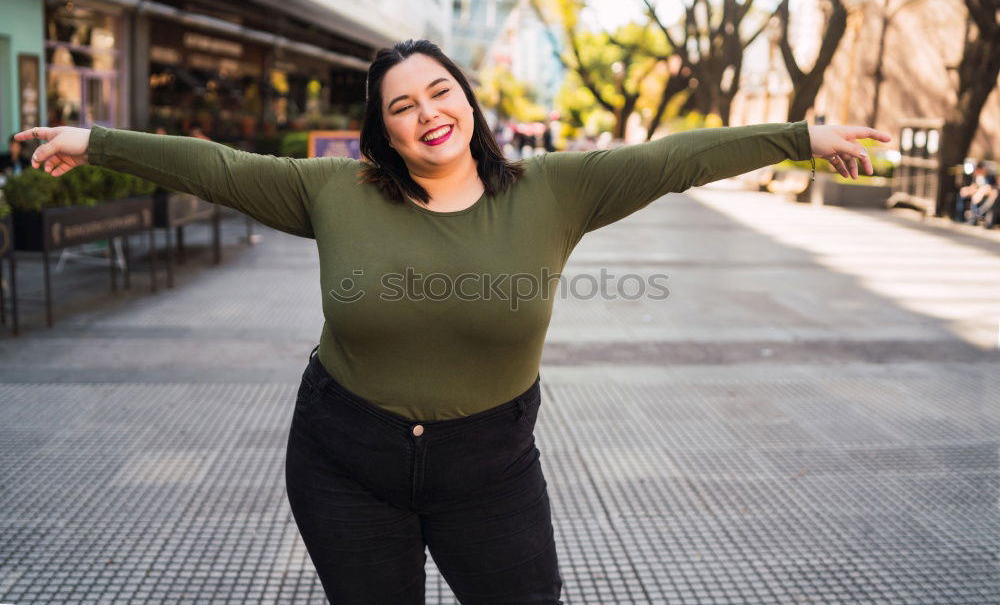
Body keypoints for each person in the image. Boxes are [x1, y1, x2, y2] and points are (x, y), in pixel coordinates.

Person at [16, 38, 890, 604]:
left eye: (440, 92)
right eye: (402, 105)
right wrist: (95, 141)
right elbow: (214, 165)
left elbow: (675, 157)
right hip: (343, 459)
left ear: (467, 103)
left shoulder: (556, 190)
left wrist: (803, 137)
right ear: (383, 131)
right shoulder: (332, 192)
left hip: (491, 470)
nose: (427, 112)